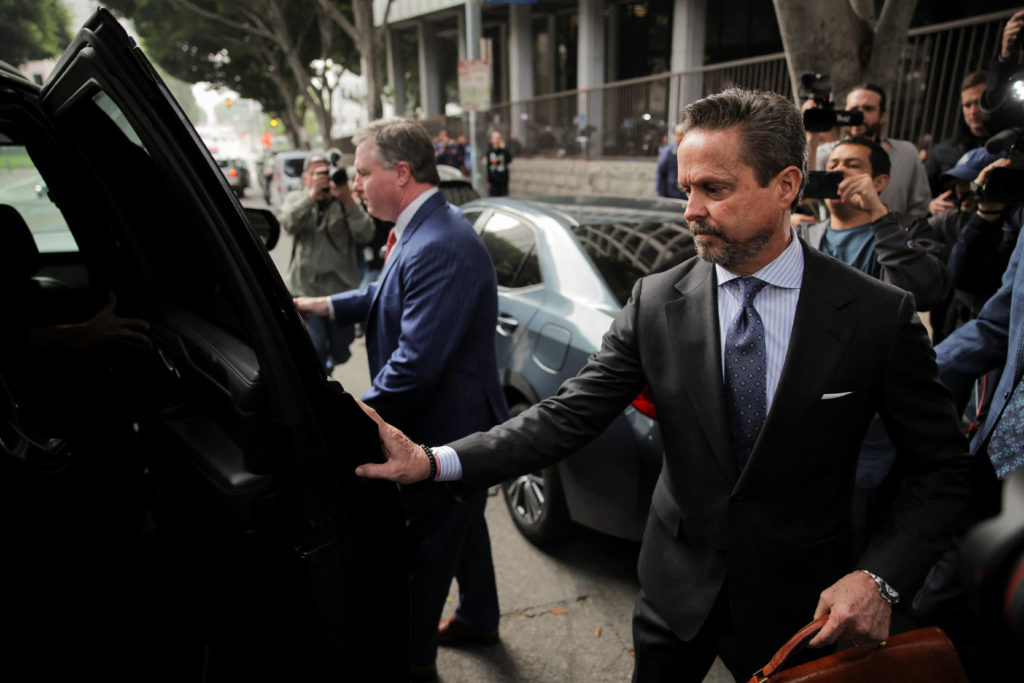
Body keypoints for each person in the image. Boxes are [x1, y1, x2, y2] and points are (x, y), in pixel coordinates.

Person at [349, 89, 973, 682]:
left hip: (807, 608)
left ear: (786, 186)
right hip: (674, 596)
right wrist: (435, 462)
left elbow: (942, 470)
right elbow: (566, 416)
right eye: (686, 189)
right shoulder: (655, 302)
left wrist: (880, 578)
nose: (691, 211)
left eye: (714, 189)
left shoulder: (875, 315)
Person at [293, 118, 507, 682]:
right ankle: (480, 618)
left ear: (402, 173)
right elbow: (385, 293)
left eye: (364, 172)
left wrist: (347, 418)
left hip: (445, 429)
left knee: (425, 555)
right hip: (452, 421)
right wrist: (323, 304)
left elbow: (414, 365)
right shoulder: (420, 229)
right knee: (463, 529)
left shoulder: (440, 243)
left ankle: (413, 662)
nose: (354, 183)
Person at [279, 153, 374, 373]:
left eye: (326, 172)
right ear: (305, 177)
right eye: (316, 173)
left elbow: (366, 233)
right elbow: (288, 224)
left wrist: (348, 200)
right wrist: (311, 196)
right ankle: (320, 380)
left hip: (340, 290)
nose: (323, 177)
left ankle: (327, 367)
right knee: (316, 346)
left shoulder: (343, 201)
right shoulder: (298, 199)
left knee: (342, 349)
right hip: (305, 288)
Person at [815, 85, 932, 219]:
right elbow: (805, 195)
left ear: (882, 116)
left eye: (868, 109)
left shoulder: (907, 153)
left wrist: (899, 235)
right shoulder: (823, 154)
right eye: (853, 109)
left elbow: (920, 206)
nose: (858, 114)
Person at [925, 70, 990, 201]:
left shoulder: (1012, 146)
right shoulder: (942, 151)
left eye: (978, 103)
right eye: (967, 105)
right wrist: (931, 205)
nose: (973, 111)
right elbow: (922, 197)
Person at [655, 124, 686, 199]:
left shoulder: (694, 150)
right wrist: (660, 193)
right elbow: (660, 172)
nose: (682, 137)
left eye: (684, 134)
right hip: (671, 193)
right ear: (676, 136)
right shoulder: (668, 151)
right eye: (680, 135)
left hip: (687, 194)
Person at [485, 130, 513, 197]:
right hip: (493, 181)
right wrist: (488, 180)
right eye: (496, 138)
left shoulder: (504, 151)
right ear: (492, 139)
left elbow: (509, 160)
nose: (497, 140)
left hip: (503, 181)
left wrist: (504, 149)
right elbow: (488, 167)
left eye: (499, 138)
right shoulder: (489, 151)